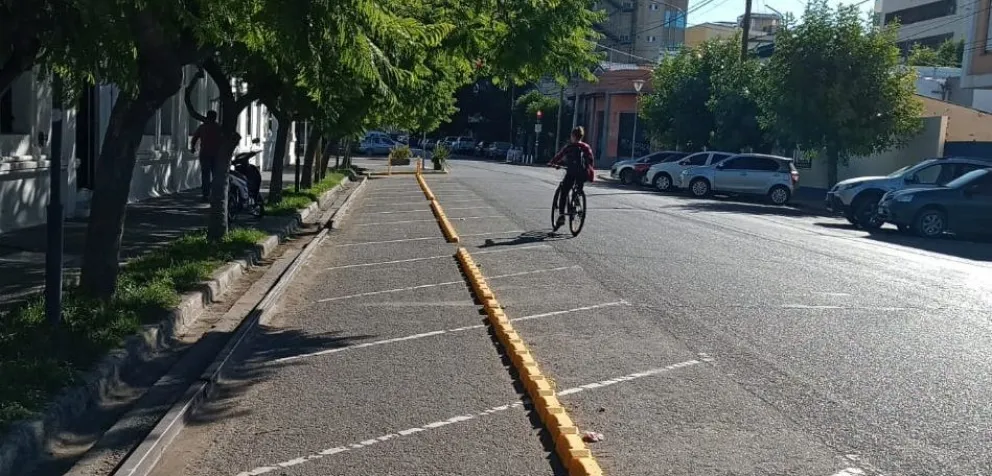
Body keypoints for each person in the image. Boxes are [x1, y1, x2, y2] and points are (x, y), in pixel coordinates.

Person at [548, 126, 595, 229]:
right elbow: (590, 161)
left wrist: (552, 163)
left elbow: (559, 156)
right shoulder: (586, 147)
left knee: (564, 192)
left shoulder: (570, 147)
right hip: (583, 174)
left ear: (573, 136)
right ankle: (577, 200)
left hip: (571, 173)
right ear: (582, 136)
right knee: (578, 188)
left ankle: (561, 217)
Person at [190, 111, 223, 202]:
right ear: (215, 117)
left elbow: (194, 138)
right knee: (216, 174)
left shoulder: (203, 127)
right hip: (216, 154)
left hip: (205, 154)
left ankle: (206, 194)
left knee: (205, 174)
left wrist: (192, 147)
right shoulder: (219, 128)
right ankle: (216, 193)